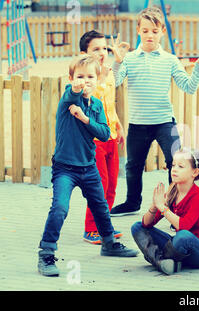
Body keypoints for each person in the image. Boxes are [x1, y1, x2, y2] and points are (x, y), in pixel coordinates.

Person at [110, 7, 199, 217]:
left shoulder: (170, 60)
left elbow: (189, 87)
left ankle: (175, 207)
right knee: (133, 166)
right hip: (138, 124)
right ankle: (132, 202)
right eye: (145, 31)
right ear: (138, 30)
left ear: (162, 31)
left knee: (177, 165)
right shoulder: (129, 59)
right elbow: (115, 82)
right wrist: (117, 62)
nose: (149, 35)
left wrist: (198, 66)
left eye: (154, 31)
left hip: (164, 123)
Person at [37, 55, 138, 277]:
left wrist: (84, 118)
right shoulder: (68, 99)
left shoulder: (98, 105)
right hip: (65, 169)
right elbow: (72, 92)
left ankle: (109, 243)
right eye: (80, 76)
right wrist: (75, 90)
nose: (85, 81)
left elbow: (104, 133)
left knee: (100, 206)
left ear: (98, 79)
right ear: (71, 78)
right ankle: (46, 253)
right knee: (60, 208)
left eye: (90, 76)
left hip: (89, 167)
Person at [131, 148, 199, 275]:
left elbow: (184, 226)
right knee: (137, 227)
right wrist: (154, 207)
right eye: (173, 165)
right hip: (178, 248)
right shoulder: (172, 192)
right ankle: (164, 262)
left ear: (195, 172)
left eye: (181, 166)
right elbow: (146, 224)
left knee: (182, 236)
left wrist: (163, 208)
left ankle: (156, 258)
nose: (174, 169)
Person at [79, 30, 126, 244]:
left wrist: (119, 126)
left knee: (112, 184)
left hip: (111, 136)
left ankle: (104, 226)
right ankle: (91, 228)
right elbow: (90, 102)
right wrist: (101, 78)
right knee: (99, 184)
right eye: (95, 49)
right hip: (94, 140)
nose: (101, 53)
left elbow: (110, 104)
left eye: (104, 48)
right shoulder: (84, 78)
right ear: (84, 53)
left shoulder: (108, 73)